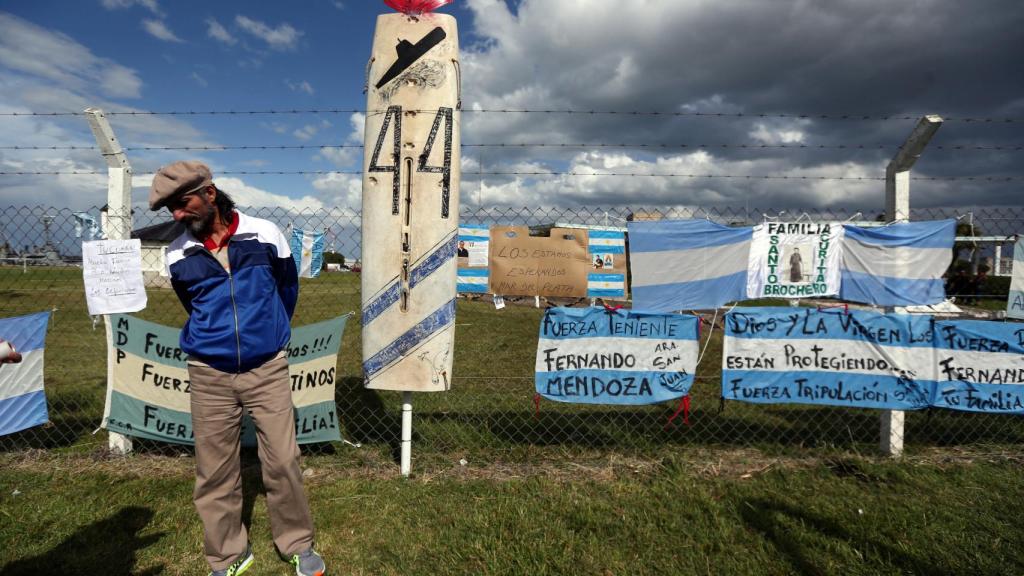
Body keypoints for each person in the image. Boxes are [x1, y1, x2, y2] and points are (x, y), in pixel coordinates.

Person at [150, 161, 325, 576]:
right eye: (170, 209)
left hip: (267, 368)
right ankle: (229, 555)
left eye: (182, 203)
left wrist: (266, 337)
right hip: (208, 373)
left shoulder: (265, 235)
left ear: (209, 194)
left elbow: (286, 292)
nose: (177, 215)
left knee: (282, 459)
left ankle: (297, 544)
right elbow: (194, 306)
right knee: (214, 470)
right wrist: (220, 343)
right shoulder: (178, 253)